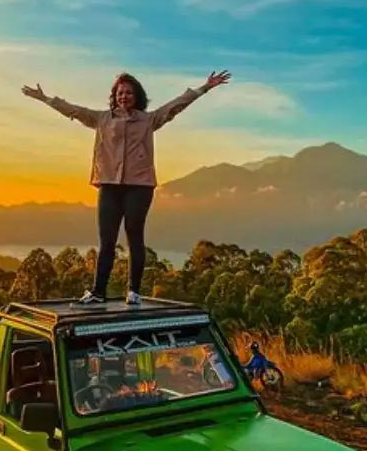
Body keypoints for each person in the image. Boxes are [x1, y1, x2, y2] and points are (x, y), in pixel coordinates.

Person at [21, 70, 231, 305]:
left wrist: (205, 87)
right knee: (107, 240)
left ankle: (134, 291)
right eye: (120, 93)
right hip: (109, 185)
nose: (124, 96)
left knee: (134, 235)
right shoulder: (102, 119)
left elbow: (175, 106)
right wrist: (45, 98)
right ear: (114, 96)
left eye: (129, 93)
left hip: (139, 186)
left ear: (137, 95)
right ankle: (98, 292)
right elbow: (74, 110)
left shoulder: (148, 120)